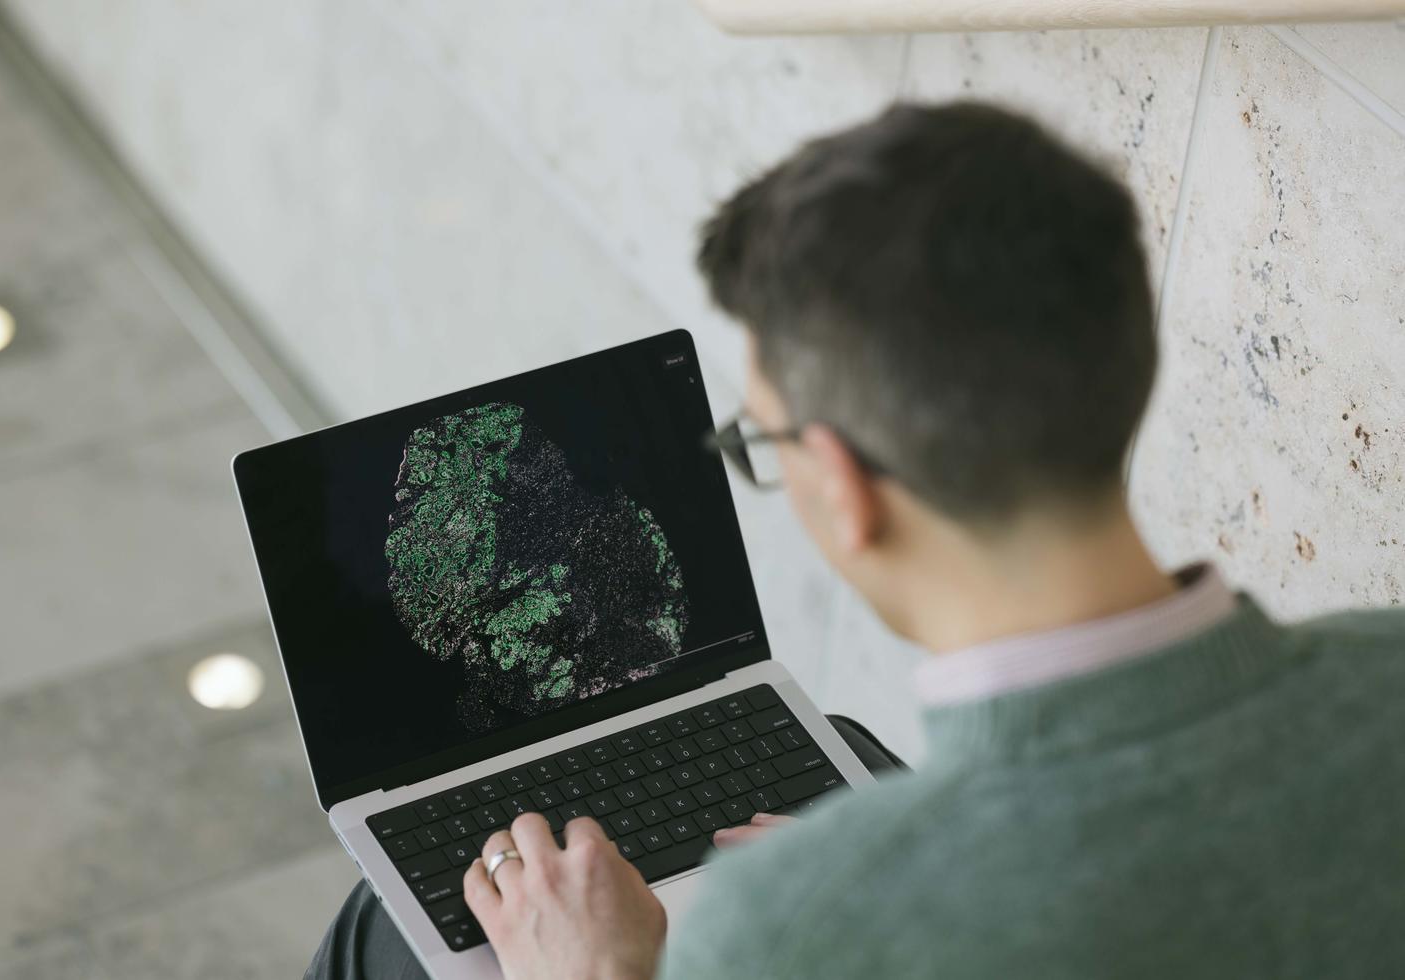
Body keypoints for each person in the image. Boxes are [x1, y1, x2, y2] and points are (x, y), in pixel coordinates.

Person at [309, 101, 1405, 979]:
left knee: (377, 926)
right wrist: (871, 869)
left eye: (762, 439)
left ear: (841, 483)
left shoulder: (780, 931)